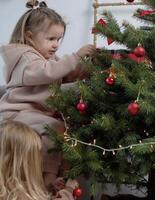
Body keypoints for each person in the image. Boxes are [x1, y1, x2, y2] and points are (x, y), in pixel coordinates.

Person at [0, 0, 96, 194]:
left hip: (35, 113)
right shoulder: (25, 58)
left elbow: (63, 74)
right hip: (17, 112)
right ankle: (48, 178)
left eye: (59, 39)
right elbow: (48, 72)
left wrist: (88, 68)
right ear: (30, 37)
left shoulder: (47, 59)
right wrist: (76, 56)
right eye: (51, 39)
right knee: (54, 128)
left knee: (61, 130)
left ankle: (55, 177)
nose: (56, 45)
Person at [0, 120, 79, 200]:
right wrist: (69, 191)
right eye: (37, 155)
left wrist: (49, 188)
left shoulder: (8, 189)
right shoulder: (19, 194)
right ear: (24, 163)